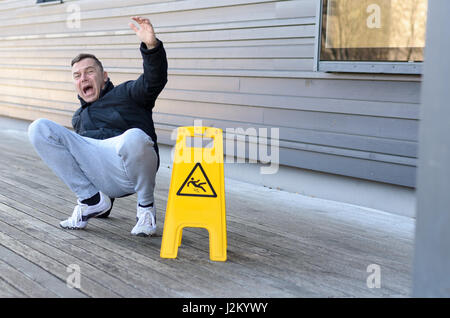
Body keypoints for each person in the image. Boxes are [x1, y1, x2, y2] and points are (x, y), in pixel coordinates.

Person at [27, 17, 167, 237]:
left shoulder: (128, 93)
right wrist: (103, 201)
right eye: (77, 75)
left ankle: (146, 208)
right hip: (104, 176)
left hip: (133, 165)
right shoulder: (79, 118)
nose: (83, 78)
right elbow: (88, 160)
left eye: (90, 72)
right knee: (39, 128)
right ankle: (91, 200)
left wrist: (151, 47)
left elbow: (154, 80)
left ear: (104, 77)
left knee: (134, 137)